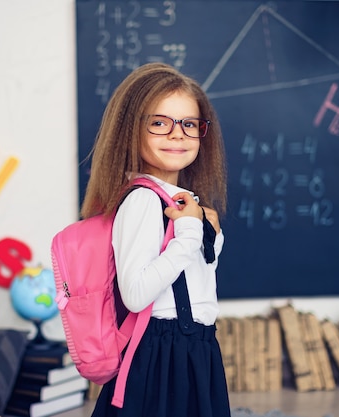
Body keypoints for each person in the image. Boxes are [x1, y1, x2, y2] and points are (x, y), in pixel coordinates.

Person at [82, 62, 230, 417]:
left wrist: (211, 237)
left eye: (189, 124)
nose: (177, 135)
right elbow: (135, 294)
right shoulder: (143, 199)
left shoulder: (178, 199)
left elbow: (194, 284)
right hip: (163, 354)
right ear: (131, 131)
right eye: (160, 123)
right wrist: (190, 234)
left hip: (196, 347)